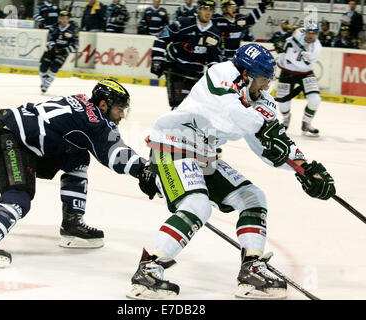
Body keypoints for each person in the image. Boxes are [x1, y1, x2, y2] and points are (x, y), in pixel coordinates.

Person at [126, 43, 336, 300]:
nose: (265, 87)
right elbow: (235, 113)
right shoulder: (220, 73)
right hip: (171, 143)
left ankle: (251, 269)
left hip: (205, 154)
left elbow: (267, 147)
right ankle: (148, 270)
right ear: (246, 74)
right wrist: (264, 127)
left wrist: (303, 168)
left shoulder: (262, 101)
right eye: (261, 79)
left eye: (268, 80)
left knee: (253, 197)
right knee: (197, 206)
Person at [0, 79, 159, 267]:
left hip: (18, 140)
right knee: (19, 196)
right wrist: (142, 169)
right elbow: (115, 153)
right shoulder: (96, 121)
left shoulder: (81, 99)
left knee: (78, 155)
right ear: (104, 105)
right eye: (119, 109)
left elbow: (36, 115)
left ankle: (72, 223)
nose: (122, 116)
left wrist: (0, 131)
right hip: (14, 144)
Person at [151, 0, 221, 110]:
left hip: (196, 72)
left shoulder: (215, 33)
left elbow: (213, 57)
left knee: (193, 106)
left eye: (211, 10)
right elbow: (161, 38)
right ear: (198, 9)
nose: (208, 13)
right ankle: (173, 124)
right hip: (175, 69)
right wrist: (157, 60)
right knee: (178, 105)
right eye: (205, 9)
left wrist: (215, 74)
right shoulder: (183, 23)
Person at [275, 22, 323, 136]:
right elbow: (292, 34)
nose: (311, 36)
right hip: (287, 71)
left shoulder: (316, 48)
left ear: (317, 35)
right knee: (283, 103)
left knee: (315, 99)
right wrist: (283, 42)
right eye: (309, 33)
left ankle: (306, 123)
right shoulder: (299, 32)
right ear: (305, 32)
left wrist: (289, 51)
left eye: (314, 34)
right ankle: (286, 118)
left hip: (305, 72)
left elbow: (299, 62)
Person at [39, 10, 79, 93]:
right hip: (52, 50)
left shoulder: (73, 29)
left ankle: (46, 86)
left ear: (68, 19)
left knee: (54, 67)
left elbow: (76, 44)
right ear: (59, 18)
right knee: (43, 67)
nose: (64, 20)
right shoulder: (54, 27)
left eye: (66, 18)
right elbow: (49, 39)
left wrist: (66, 50)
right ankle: (44, 82)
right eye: (62, 18)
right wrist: (52, 46)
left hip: (63, 52)